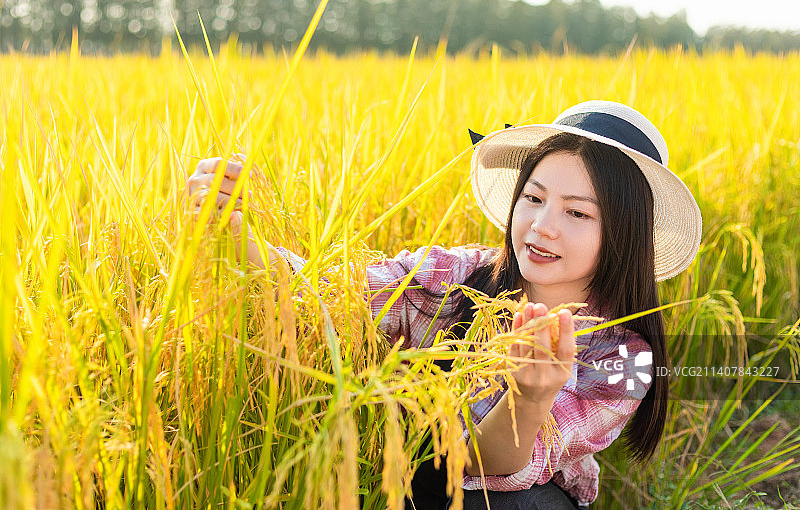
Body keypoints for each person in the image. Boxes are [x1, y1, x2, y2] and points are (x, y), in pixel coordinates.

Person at [186, 101, 702, 509]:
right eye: (534, 198)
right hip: (409, 479)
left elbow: (492, 463)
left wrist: (527, 398)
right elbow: (336, 291)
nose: (543, 226)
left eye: (578, 213)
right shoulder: (461, 275)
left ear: (623, 235)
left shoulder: (624, 358)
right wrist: (239, 237)